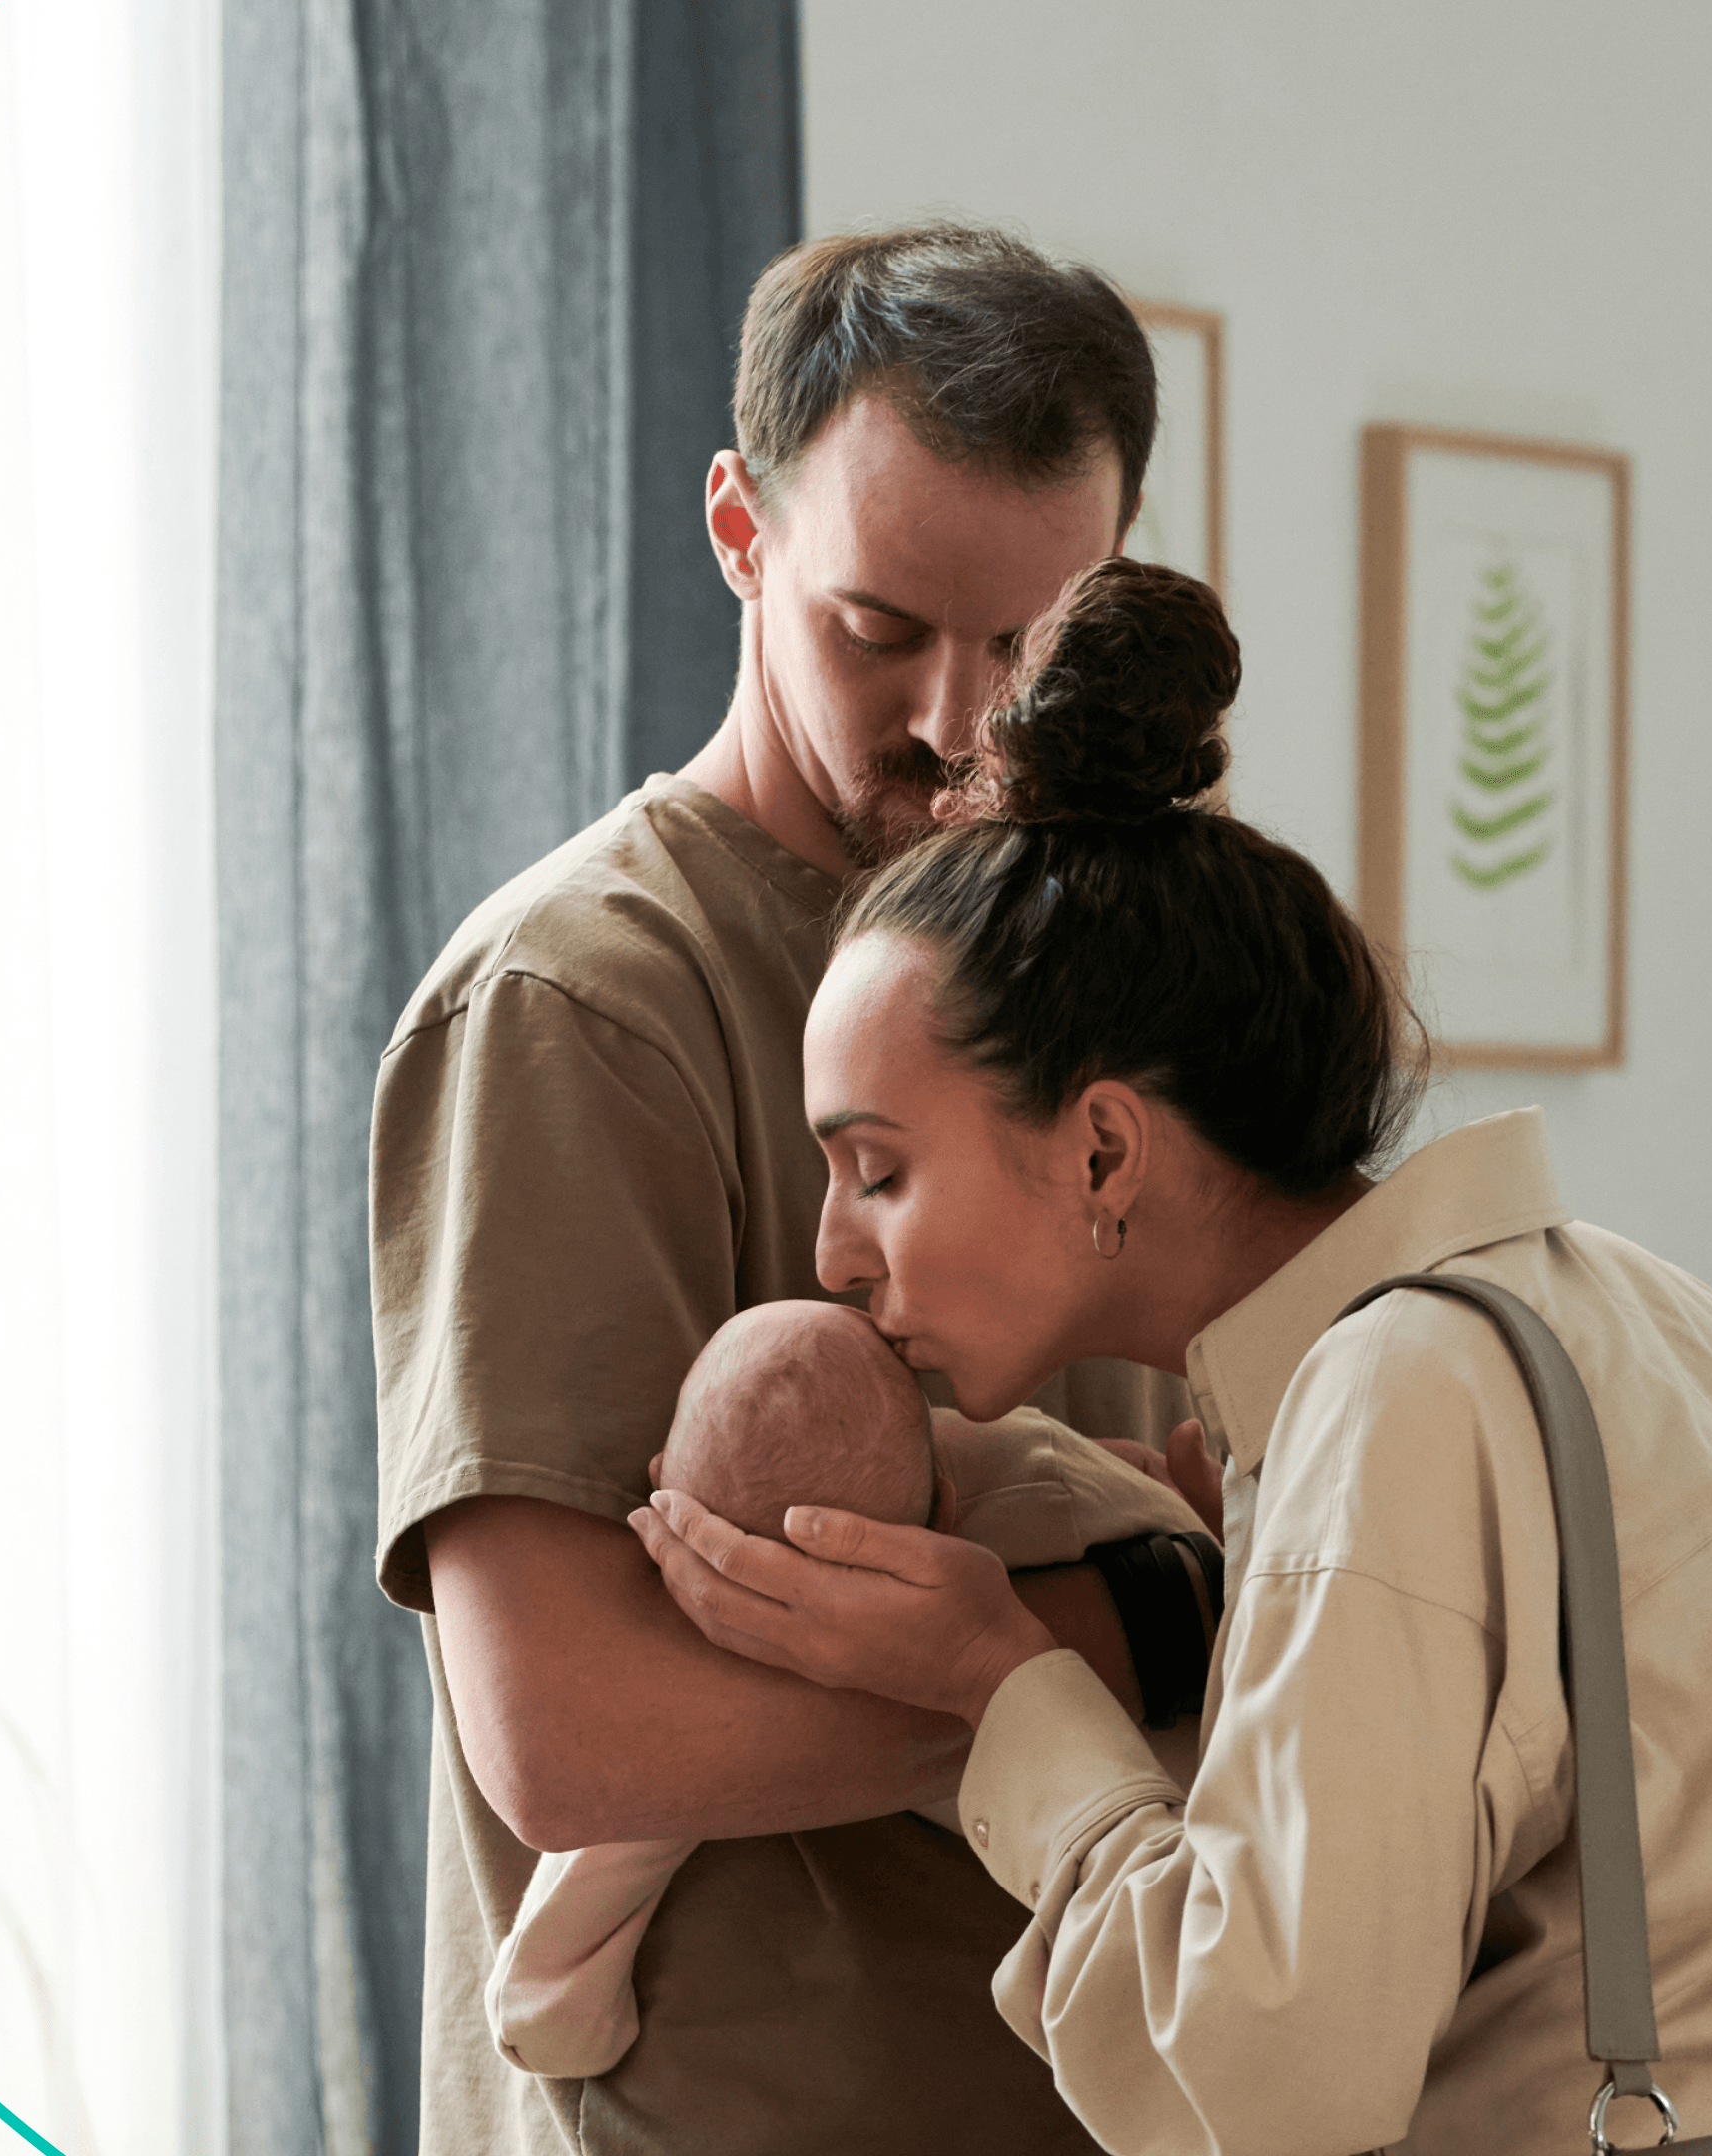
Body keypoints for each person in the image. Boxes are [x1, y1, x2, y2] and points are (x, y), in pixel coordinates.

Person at [632, 559, 1712, 2154]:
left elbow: (1265, 2085)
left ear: (1100, 1153)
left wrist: (997, 1683)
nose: (832, 1252)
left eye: (877, 1168)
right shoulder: (1623, 1305)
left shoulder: (1397, 1402)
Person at [367, 223, 1214, 2156]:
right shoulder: (579, 1005)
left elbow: (1228, 1517)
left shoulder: (1118, 978)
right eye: (880, 629)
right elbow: (564, 1727)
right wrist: (1129, 1642)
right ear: (741, 532)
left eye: (1026, 644)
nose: (960, 720)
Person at [482, 1300, 1203, 2083]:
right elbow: (1177, 1539)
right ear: (949, 1505)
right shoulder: (1024, 1469)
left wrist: (554, 2025)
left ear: (665, 1495)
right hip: (1193, 1797)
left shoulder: (712, 1735)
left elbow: (546, 1999)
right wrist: (1171, 1488)